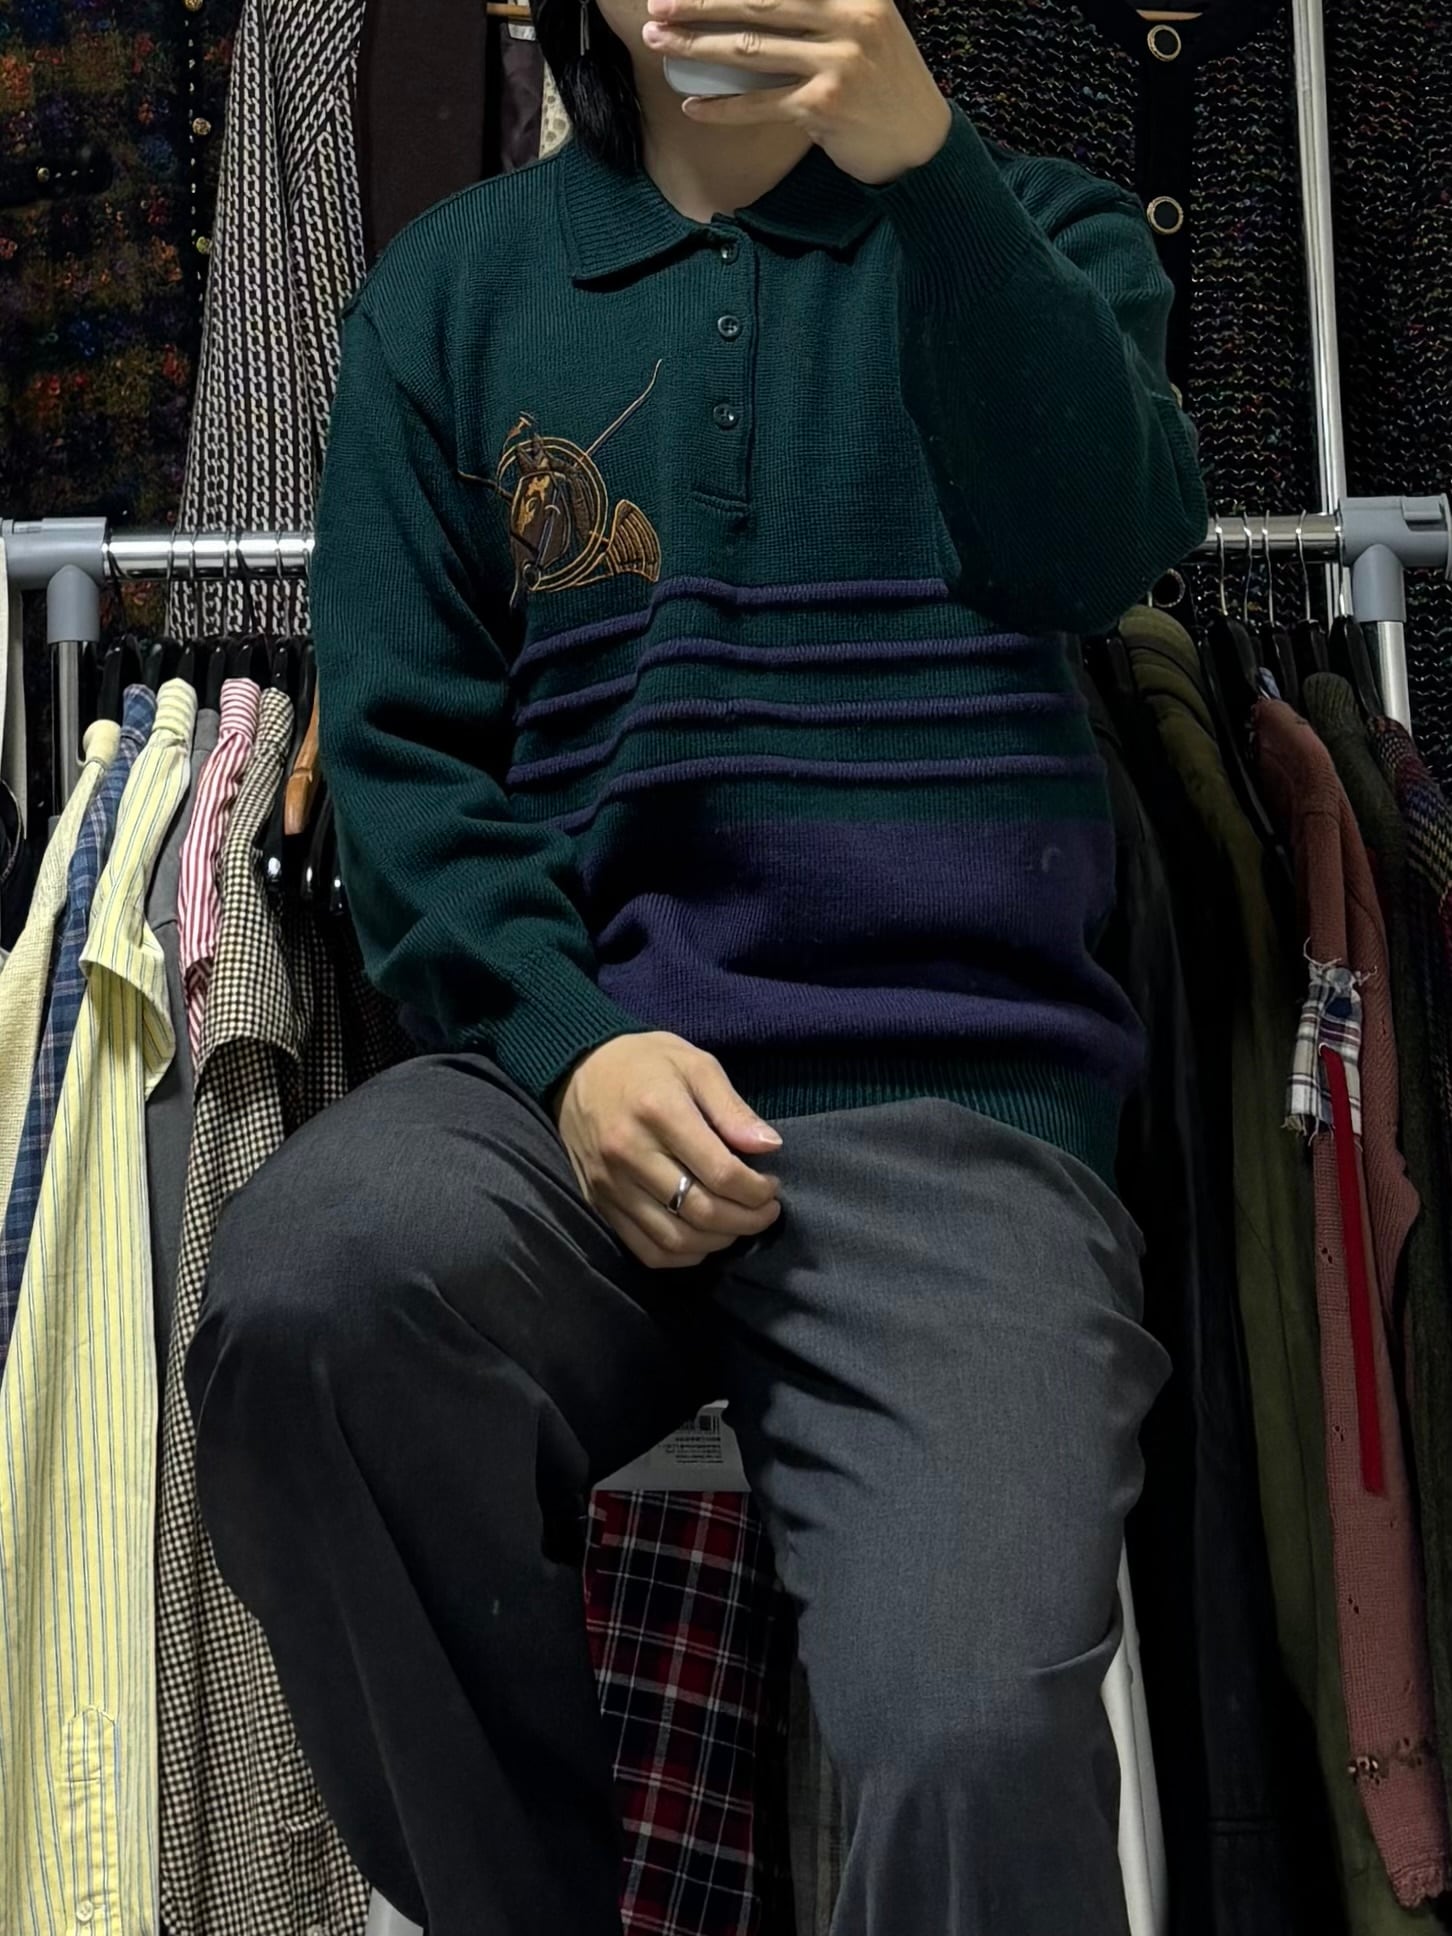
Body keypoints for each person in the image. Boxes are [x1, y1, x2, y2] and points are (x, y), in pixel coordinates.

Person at [186, 0, 1207, 1925]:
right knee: (308, 1291)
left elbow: (1100, 547)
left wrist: (930, 175)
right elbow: (402, 762)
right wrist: (571, 1044)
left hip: (955, 1111)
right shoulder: (451, 294)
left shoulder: (1043, 231)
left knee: (973, 1731)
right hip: (569, 1106)